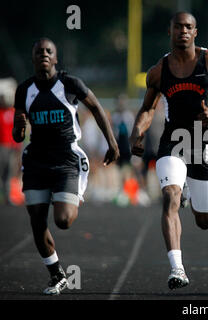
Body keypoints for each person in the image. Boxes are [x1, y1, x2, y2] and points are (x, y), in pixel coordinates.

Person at [129, 12, 208, 289]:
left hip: (202, 144)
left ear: (195, 32)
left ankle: (190, 192)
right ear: (170, 31)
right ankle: (177, 269)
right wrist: (138, 132)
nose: (183, 31)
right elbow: (147, 108)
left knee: (204, 220)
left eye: (188, 27)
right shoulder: (159, 70)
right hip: (172, 141)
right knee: (170, 197)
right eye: (178, 27)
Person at [12, 38, 119, 295]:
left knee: (63, 220)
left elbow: (97, 109)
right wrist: (19, 127)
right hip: (36, 161)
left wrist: (112, 144)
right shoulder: (24, 90)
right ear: (34, 58)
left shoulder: (70, 84)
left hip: (66, 161)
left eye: (49, 52)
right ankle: (56, 274)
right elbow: (17, 135)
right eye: (39, 52)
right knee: (37, 220)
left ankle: (65, 197)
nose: (44, 55)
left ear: (56, 59)